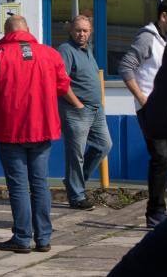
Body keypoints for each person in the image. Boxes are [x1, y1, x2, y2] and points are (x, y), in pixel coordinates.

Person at [0, 16, 84, 254]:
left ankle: (22, 238)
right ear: (28, 30)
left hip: (11, 131)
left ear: (6, 31)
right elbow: (63, 86)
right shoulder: (50, 54)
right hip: (42, 129)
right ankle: (43, 238)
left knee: (19, 186)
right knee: (40, 184)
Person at [119, 0, 167, 228]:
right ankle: (155, 212)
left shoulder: (165, 40)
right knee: (161, 158)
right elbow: (125, 66)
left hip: (165, 109)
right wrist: (143, 99)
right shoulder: (147, 37)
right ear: (164, 16)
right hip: (151, 110)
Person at [57, 15, 112, 211]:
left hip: (96, 110)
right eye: (78, 30)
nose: (82, 34)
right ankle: (76, 195)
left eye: (86, 30)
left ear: (90, 32)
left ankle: (75, 183)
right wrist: (77, 104)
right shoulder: (66, 50)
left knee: (104, 145)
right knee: (75, 154)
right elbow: (60, 81)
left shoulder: (87, 50)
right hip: (76, 110)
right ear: (71, 30)